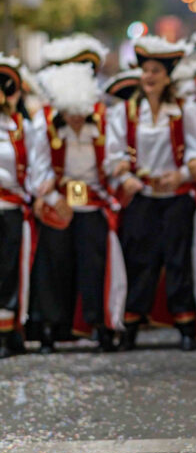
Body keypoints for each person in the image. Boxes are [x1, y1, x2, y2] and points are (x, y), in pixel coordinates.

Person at [105, 36, 196, 351]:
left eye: (156, 71)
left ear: (167, 77)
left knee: (178, 260)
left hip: (176, 197)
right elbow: (112, 155)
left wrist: (180, 175)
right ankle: (131, 325)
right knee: (140, 261)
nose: (149, 76)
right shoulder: (125, 111)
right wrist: (127, 177)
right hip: (142, 197)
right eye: (146, 70)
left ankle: (186, 326)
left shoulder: (184, 110)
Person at [29, 62, 126, 353]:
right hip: (59, 203)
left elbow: (112, 160)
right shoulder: (45, 123)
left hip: (92, 203)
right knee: (53, 267)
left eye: (79, 113)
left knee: (93, 267)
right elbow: (37, 168)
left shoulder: (104, 122)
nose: (75, 120)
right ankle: (50, 327)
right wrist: (52, 198)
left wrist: (119, 169)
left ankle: (100, 325)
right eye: (70, 114)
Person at [0, 56, 34, 358]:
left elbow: (36, 168)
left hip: (11, 207)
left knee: (10, 270)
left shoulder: (21, 128)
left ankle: (8, 331)